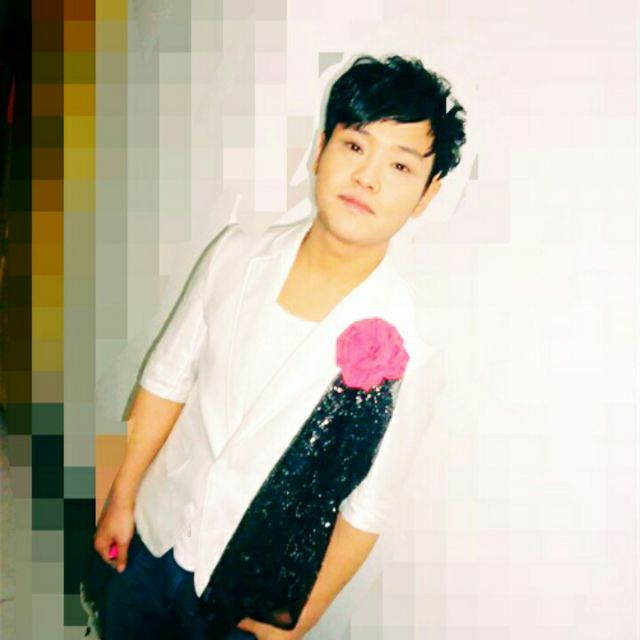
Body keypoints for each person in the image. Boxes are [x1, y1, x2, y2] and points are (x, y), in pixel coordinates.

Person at [80, 53, 467, 639]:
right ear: (320, 150)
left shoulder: (409, 346)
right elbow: (166, 381)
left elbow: (367, 505)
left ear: (426, 194)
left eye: (399, 165)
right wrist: (121, 495)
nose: (367, 177)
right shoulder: (235, 255)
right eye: (355, 146)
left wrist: (295, 623)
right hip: (154, 536)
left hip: (250, 595)